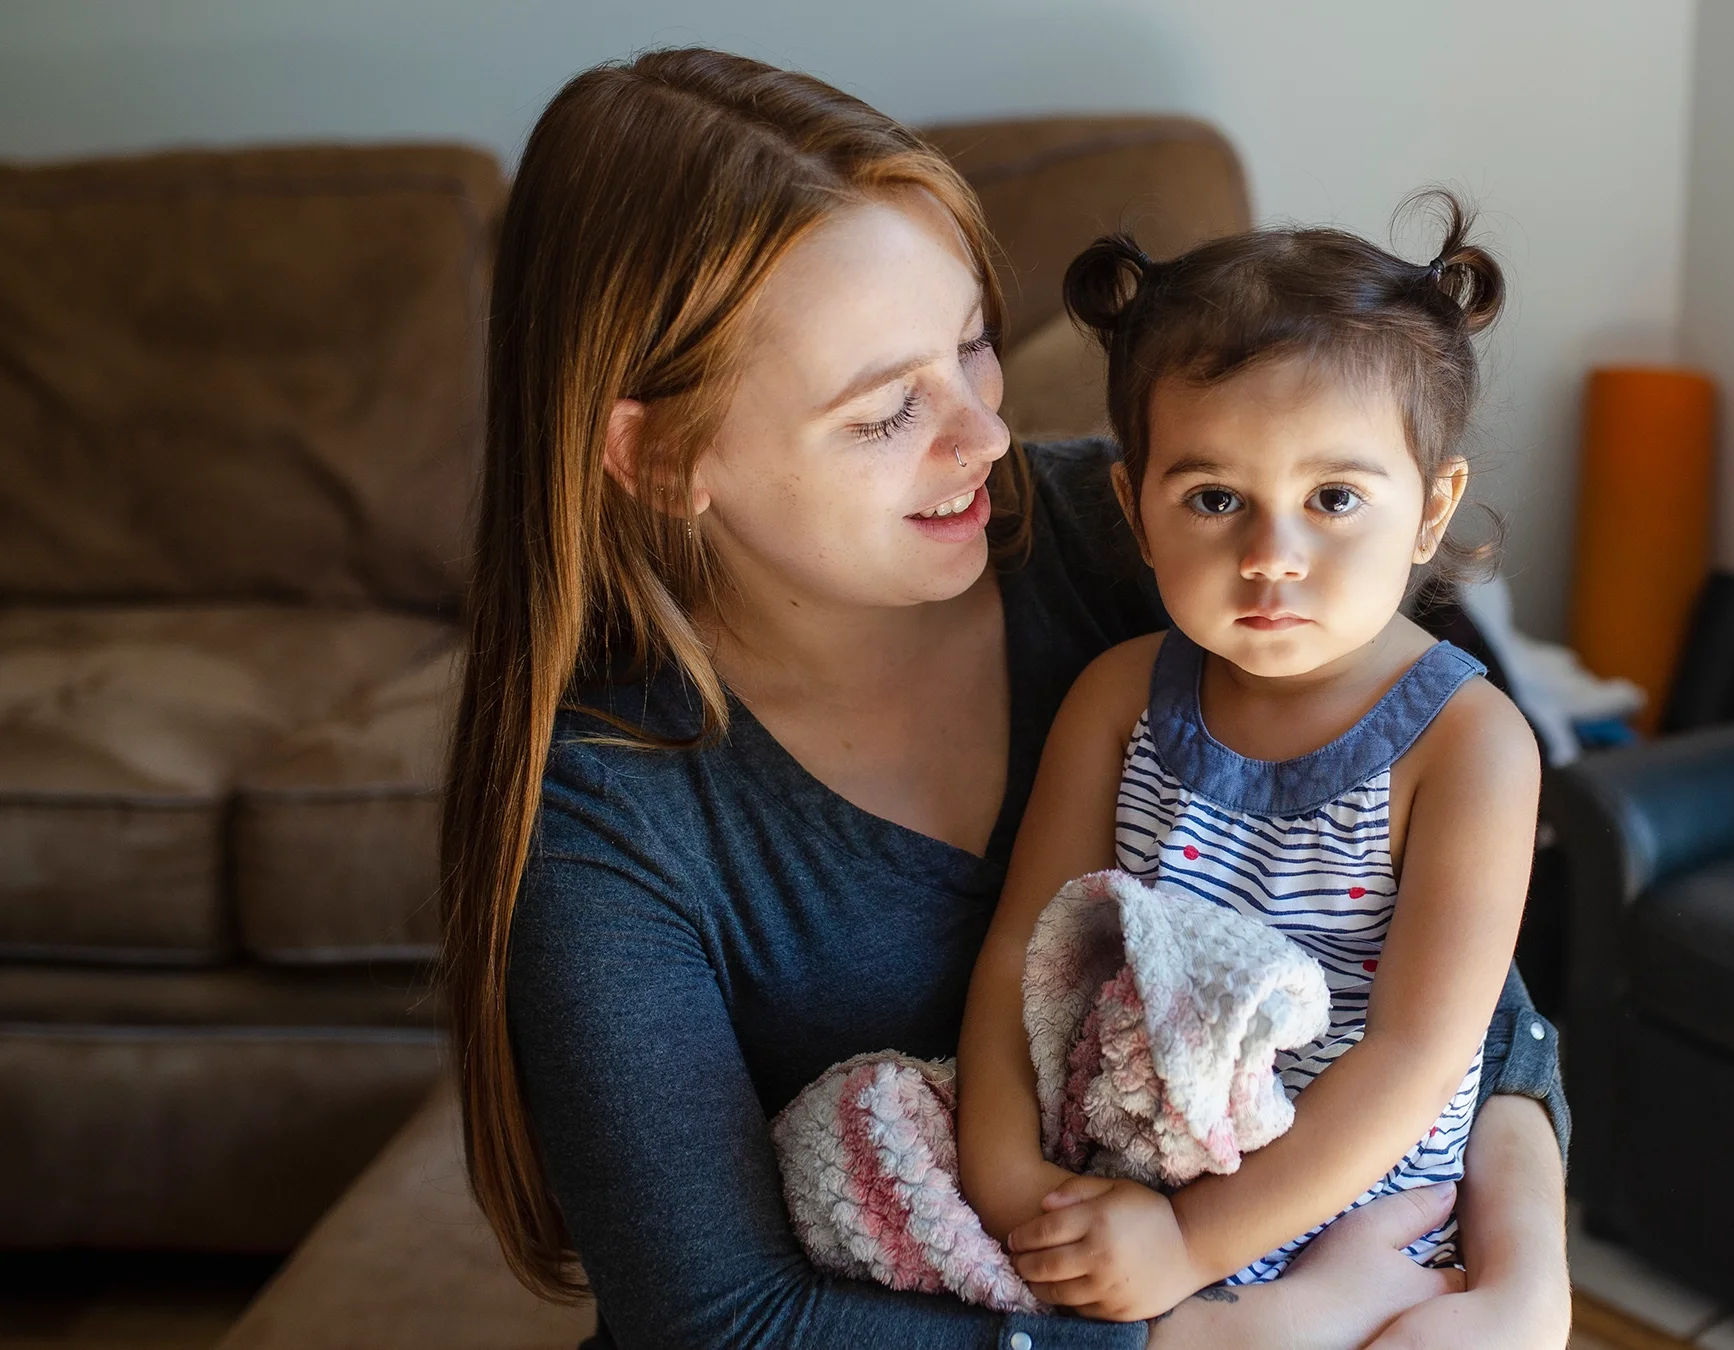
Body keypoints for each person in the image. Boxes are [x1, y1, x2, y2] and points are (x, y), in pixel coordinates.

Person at [438, 47, 1572, 1350]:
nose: (984, 434)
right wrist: (1214, 1337)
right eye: (883, 413)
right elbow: (721, 1323)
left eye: (971, 342)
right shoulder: (600, 823)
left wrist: (1527, 1266)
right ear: (663, 454)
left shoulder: (1136, 531)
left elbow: (1436, 951)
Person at [955, 200, 1540, 1324]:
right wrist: (1010, 1181)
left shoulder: (1470, 748)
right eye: (1215, 499)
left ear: (1430, 509)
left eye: (1334, 499)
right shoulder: (1119, 701)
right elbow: (1020, 964)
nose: (1273, 556)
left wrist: (1189, 1245)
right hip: (1125, 1176)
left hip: (1354, 1229)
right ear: (1134, 508)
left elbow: (1416, 1060)